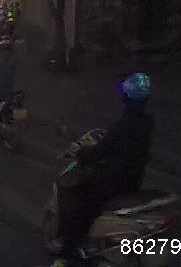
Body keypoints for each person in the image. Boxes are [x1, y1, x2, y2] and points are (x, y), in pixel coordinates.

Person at [51, 72, 154, 267]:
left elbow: (98, 153)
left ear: (126, 97)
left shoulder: (122, 126)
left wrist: (80, 152)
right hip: (134, 179)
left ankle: (66, 256)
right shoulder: (147, 123)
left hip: (112, 181)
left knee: (79, 211)